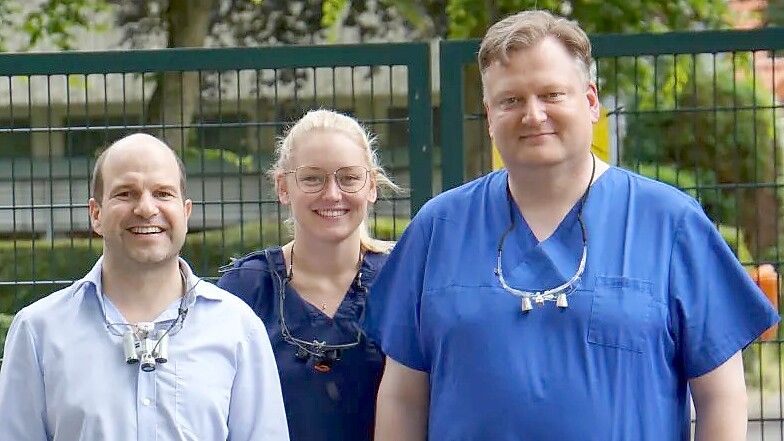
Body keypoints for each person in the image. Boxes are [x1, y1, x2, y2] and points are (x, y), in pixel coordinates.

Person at [367, 10, 780, 441]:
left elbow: (721, 397)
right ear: (488, 115)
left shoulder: (670, 223)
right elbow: (404, 396)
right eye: (510, 100)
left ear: (590, 101)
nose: (533, 114)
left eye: (551, 94)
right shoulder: (439, 227)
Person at [0, 133, 289, 440]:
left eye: (163, 193)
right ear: (96, 214)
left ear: (186, 212)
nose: (146, 208)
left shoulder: (238, 329)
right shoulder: (39, 331)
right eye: (125, 193)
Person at [217, 109, 398, 441]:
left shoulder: (402, 279)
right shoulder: (245, 290)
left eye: (349, 177)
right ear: (283, 187)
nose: (332, 194)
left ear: (371, 186)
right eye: (313, 178)